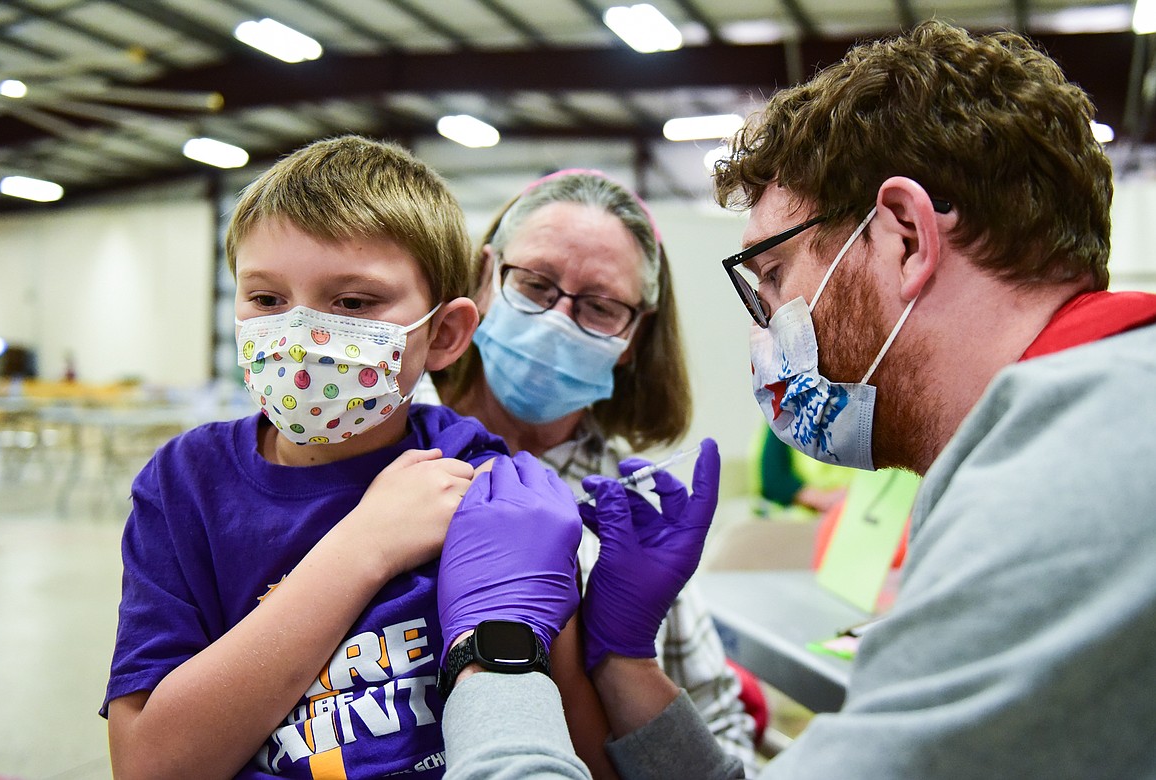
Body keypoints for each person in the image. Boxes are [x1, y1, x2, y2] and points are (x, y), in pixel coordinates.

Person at [432, 20, 1156, 779]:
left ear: (906, 237)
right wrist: (625, 664)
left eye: (773, 276)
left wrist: (495, 652)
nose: (766, 330)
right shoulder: (1071, 427)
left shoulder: (1070, 480)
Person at [99, 136, 607, 778]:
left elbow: (562, 721)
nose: (299, 335)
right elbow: (150, 766)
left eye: (354, 303)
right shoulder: (183, 484)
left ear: (444, 334)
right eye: (266, 299)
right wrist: (366, 545)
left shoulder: (476, 472)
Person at [428, 168, 760, 771]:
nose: (558, 320)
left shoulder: (627, 510)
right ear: (482, 277)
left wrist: (621, 657)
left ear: (633, 338)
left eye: (601, 306)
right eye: (533, 285)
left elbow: (723, 739)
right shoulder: (389, 457)